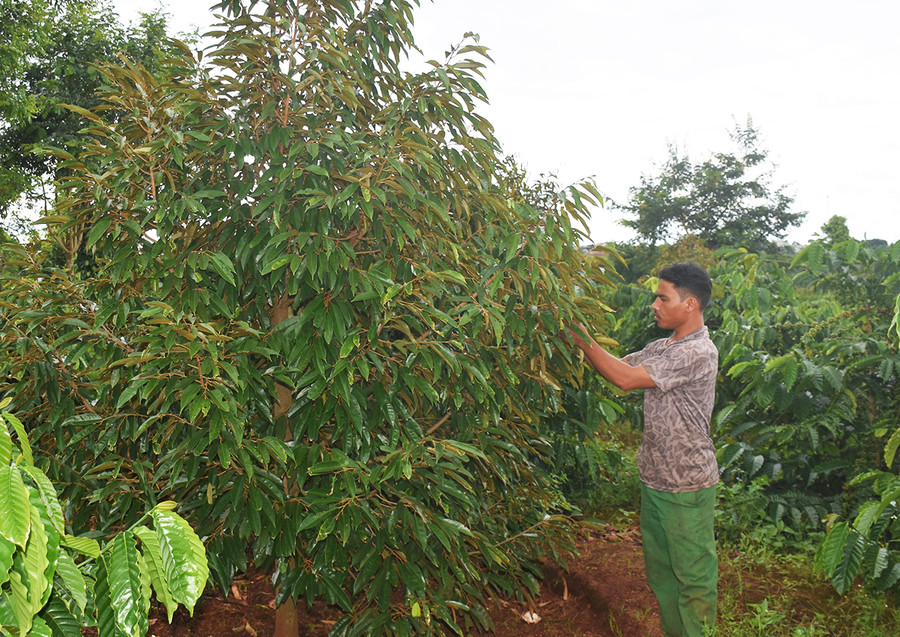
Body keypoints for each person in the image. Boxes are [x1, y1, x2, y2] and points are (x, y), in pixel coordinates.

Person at [568, 262, 719, 637]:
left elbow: (623, 378)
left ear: (689, 305)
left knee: (693, 578)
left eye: (662, 297)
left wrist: (578, 334)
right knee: (664, 576)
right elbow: (616, 363)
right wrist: (575, 337)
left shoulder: (697, 351)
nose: (654, 304)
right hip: (655, 478)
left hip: (687, 484)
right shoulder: (663, 346)